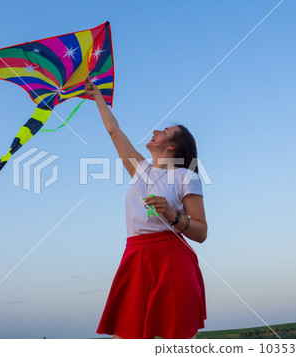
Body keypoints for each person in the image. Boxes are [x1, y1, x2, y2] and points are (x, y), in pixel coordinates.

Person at [84, 78, 208, 339]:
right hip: (136, 257)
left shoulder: (187, 177)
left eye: (164, 131)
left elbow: (201, 232)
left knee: (173, 339)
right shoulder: (140, 169)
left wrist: (172, 215)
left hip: (171, 260)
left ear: (172, 146)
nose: (155, 131)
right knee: (127, 338)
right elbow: (114, 131)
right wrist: (97, 97)